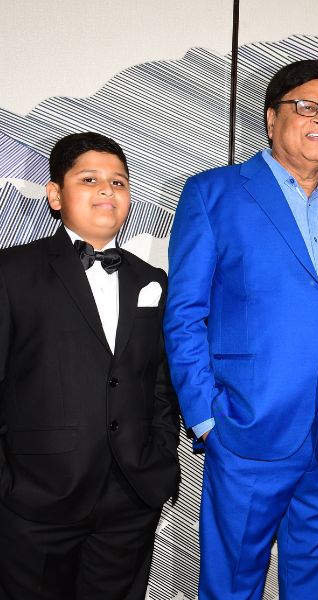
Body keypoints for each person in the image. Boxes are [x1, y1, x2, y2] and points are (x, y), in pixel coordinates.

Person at [164, 59, 318, 599]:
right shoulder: (213, 193)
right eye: (306, 107)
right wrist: (206, 416)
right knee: (232, 585)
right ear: (270, 117)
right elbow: (186, 313)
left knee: (315, 584)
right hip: (247, 429)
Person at [0, 132, 180, 599]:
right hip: (36, 500)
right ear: (55, 195)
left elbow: (159, 384)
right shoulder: (11, 271)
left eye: (118, 182)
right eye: (89, 179)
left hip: (131, 499)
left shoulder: (151, 280)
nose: (107, 190)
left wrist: (159, 457)